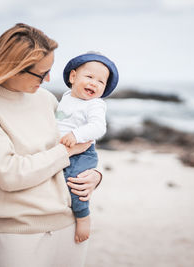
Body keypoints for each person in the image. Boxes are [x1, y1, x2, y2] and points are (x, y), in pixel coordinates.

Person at [0, 23, 102, 267]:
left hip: (71, 224)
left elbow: (79, 145)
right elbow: (9, 174)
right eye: (41, 72)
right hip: (20, 232)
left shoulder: (45, 98)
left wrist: (95, 176)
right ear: (14, 68)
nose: (48, 79)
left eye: (50, 70)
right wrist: (65, 151)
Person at [56, 52, 118, 243]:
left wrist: (76, 135)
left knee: (75, 183)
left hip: (82, 153)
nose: (94, 83)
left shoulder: (95, 105)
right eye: (89, 77)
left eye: (100, 81)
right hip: (65, 149)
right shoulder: (66, 96)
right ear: (73, 77)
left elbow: (99, 127)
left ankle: (83, 216)